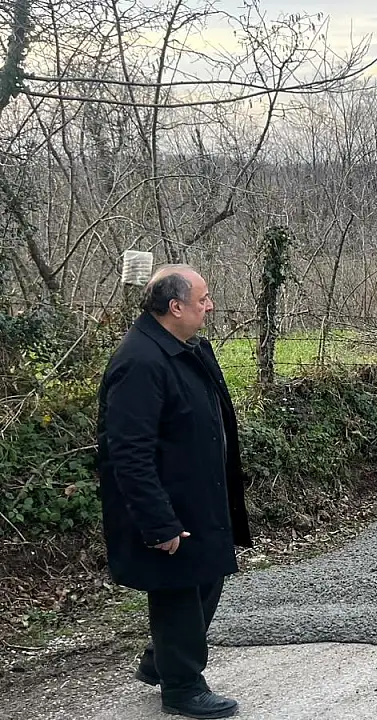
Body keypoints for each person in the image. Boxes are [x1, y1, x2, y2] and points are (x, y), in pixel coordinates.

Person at [97, 264, 251, 719]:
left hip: (200, 496)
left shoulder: (190, 347)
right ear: (175, 306)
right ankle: (182, 687)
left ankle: (159, 661)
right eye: (203, 298)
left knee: (207, 578)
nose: (210, 305)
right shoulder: (140, 362)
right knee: (179, 588)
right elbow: (128, 452)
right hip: (169, 504)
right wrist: (159, 522)